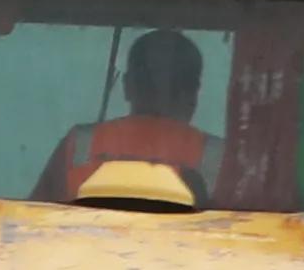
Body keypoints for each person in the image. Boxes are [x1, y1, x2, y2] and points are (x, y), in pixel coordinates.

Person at [33, 26, 228, 203]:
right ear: (193, 94)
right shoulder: (222, 158)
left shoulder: (79, 145)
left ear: (127, 86)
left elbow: (32, 221)